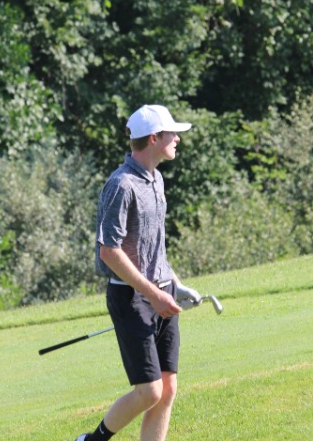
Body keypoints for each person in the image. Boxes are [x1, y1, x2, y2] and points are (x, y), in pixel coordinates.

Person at [76, 105, 202, 441]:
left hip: (160, 291)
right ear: (153, 138)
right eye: (171, 133)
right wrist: (154, 294)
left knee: (168, 388)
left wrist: (175, 285)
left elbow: (154, 248)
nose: (177, 138)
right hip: (131, 297)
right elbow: (109, 251)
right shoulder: (122, 185)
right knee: (149, 391)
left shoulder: (157, 180)